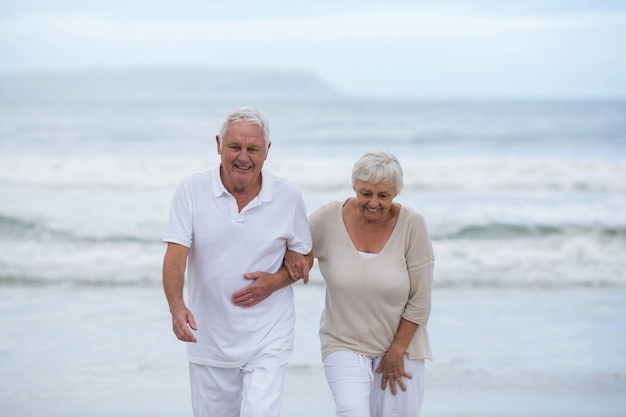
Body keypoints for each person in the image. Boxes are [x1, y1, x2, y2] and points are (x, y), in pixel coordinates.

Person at [162, 106, 312, 417]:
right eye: (235, 147)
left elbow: (304, 254)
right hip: (209, 338)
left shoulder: (288, 196)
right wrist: (177, 308)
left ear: (266, 151)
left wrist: (275, 282)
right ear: (218, 144)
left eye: (252, 149)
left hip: (269, 336)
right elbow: (176, 256)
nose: (243, 157)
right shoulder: (192, 189)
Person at [292, 151, 434, 417]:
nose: (373, 203)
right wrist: (293, 261)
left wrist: (396, 351)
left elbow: (421, 299)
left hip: (401, 345)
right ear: (354, 185)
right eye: (365, 193)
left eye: (383, 195)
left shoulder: (412, 224)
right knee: (352, 410)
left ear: (396, 193)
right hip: (343, 341)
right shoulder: (328, 218)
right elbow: (293, 243)